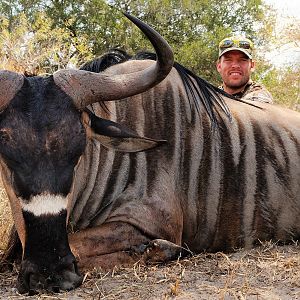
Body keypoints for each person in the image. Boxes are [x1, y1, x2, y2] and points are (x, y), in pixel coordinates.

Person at [216, 36, 273, 103]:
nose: (235, 66)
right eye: (228, 60)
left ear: (252, 65)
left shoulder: (260, 96)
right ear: (219, 66)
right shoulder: (213, 95)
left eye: (242, 60)